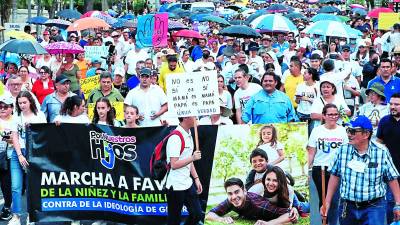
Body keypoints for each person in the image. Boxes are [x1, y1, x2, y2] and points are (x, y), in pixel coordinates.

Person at [322, 115, 400, 225]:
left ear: (366, 134)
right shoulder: (343, 150)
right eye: (348, 130)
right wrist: (327, 202)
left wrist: (398, 204)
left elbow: (392, 179)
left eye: (353, 131)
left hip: (374, 207)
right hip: (347, 206)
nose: (349, 134)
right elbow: (335, 175)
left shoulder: (381, 152)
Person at [9, 91, 46, 225]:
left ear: (30, 101)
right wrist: (19, 155)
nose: (22, 105)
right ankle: (16, 216)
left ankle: (31, 214)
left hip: (34, 154)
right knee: (16, 186)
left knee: (32, 186)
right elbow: (15, 136)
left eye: (24, 102)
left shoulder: (39, 116)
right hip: (17, 153)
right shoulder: (16, 116)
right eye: (20, 103)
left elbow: (43, 137)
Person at [308, 103, 348, 225]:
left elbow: (346, 152)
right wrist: (307, 169)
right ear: (324, 116)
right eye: (330, 114)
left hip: (337, 170)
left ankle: (334, 223)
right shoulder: (316, 131)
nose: (333, 117)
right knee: (324, 200)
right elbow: (311, 152)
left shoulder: (343, 131)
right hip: (320, 169)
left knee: (335, 200)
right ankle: (324, 222)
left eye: (336, 114)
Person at [205, 177, 297, 224]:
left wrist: (269, 223)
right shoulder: (230, 200)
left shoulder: (258, 205)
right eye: (230, 193)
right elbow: (209, 214)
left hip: (283, 195)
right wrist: (221, 219)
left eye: (237, 192)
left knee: (302, 206)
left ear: (244, 191)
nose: (233, 197)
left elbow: (289, 215)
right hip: (259, 188)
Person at [165, 116, 202, 225]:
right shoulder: (175, 138)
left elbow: (188, 159)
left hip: (187, 183)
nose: (196, 118)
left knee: (197, 214)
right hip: (175, 186)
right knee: (174, 219)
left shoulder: (189, 133)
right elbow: (174, 164)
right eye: (194, 116)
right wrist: (193, 158)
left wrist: (196, 178)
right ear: (185, 118)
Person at [377, 93, 400, 224]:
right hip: (390, 172)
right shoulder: (384, 121)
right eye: (391, 104)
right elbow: (379, 143)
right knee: (391, 204)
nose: (393, 107)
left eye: (396, 104)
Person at [0, 96, 14, 221]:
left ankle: (7, 207)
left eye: (5, 106)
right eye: (0, 106)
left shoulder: (15, 121)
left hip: (8, 157)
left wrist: (11, 140)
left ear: (12, 108)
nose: (2, 109)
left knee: (6, 184)